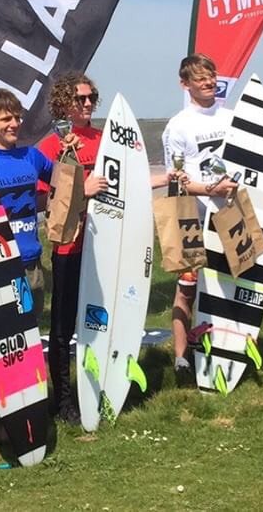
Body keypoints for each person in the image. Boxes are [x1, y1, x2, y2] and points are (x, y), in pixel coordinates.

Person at [37, 72, 172, 423]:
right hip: (70, 246)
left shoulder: (105, 140)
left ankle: (96, 387)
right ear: (64, 102)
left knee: (97, 319)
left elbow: (129, 184)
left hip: (106, 246)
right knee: (63, 327)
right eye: (79, 99)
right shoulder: (53, 146)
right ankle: (62, 400)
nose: (86, 104)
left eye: (91, 98)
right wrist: (83, 188)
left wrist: (165, 179)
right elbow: (44, 197)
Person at [162, 54, 263, 384]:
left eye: (211, 75)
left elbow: (257, 168)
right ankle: (181, 358)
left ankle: (230, 346)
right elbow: (176, 178)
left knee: (238, 281)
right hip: (193, 214)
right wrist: (210, 187)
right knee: (188, 289)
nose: (207, 82)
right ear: (185, 84)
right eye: (199, 78)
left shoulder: (232, 117)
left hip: (232, 212)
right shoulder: (178, 127)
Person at [0, 88, 55, 460]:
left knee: (25, 350)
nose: (15, 123)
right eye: (6, 118)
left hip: (32, 266)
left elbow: (65, 182)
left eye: (17, 116)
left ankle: (14, 423)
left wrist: (85, 184)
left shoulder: (32, 156)